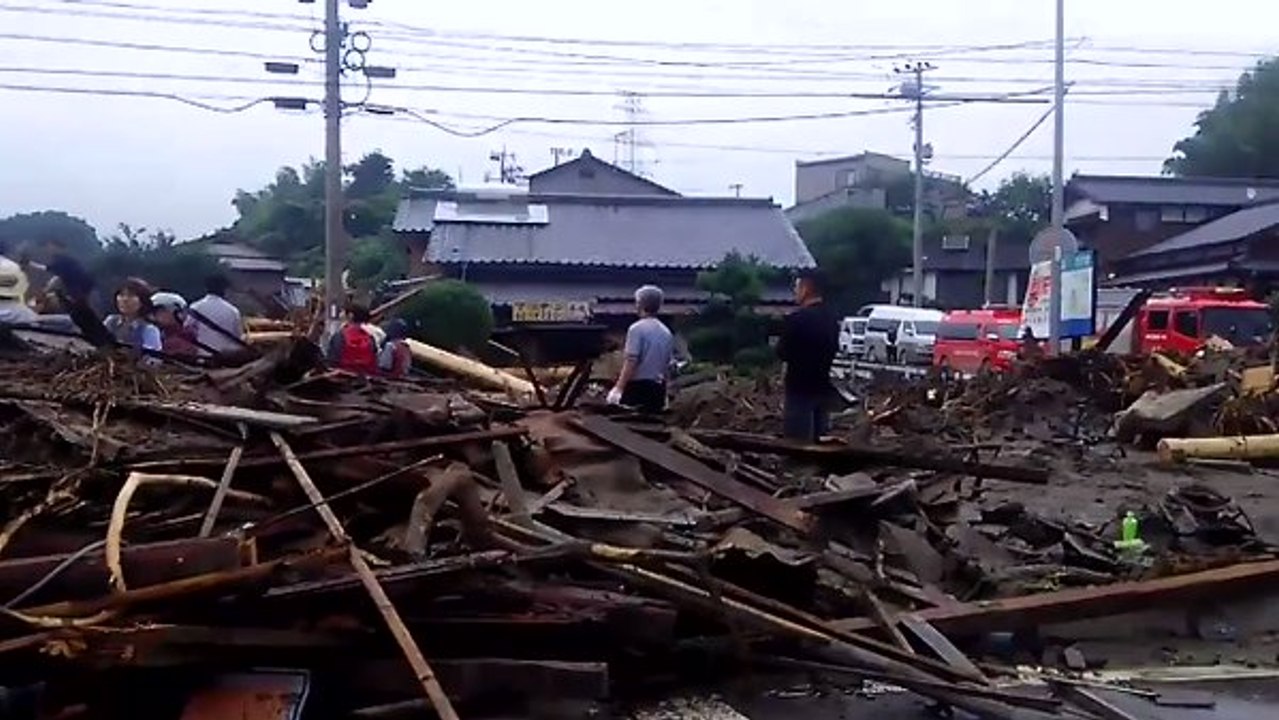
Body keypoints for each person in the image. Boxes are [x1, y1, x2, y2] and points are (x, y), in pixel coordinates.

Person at [776, 268, 838, 442]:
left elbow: (782, 352)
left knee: (796, 443)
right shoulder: (832, 320)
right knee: (820, 440)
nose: (795, 292)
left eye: (797, 287)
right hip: (822, 387)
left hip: (798, 390)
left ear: (806, 288)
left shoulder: (796, 320)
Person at [607, 284, 675, 413]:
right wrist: (666, 392)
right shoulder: (666, 332)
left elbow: (631, 360)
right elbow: (667, 366)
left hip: (637, 388)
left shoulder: (636, 329)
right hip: (657, 389)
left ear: (640, 304)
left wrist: (618, 388)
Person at [103, 278, 162, 358]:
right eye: (121, 295)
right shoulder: (110, 321)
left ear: (142, 300)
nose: (125, 299)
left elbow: (153, 360)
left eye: (131, 295)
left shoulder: (149, 330)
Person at [189, 275, 244, 356]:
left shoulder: (195, 307)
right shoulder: (233, 310)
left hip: (203, 354)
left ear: (207, 288)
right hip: (229, 357)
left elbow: (188, 329)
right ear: (225, 289)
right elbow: (238, 335)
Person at [327, 303, 381, 375]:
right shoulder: (371, 338)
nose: (340, 315)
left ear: (350, 316)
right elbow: (375, 361)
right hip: (365, 378)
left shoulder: (340, 336)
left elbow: (332, 361)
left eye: (343, 312)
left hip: (342, 377)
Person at [150, 292, 200, 358]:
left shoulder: (192, 336)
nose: (152, 317)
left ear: (178, 312)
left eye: (159, 311)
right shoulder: (155, 336)